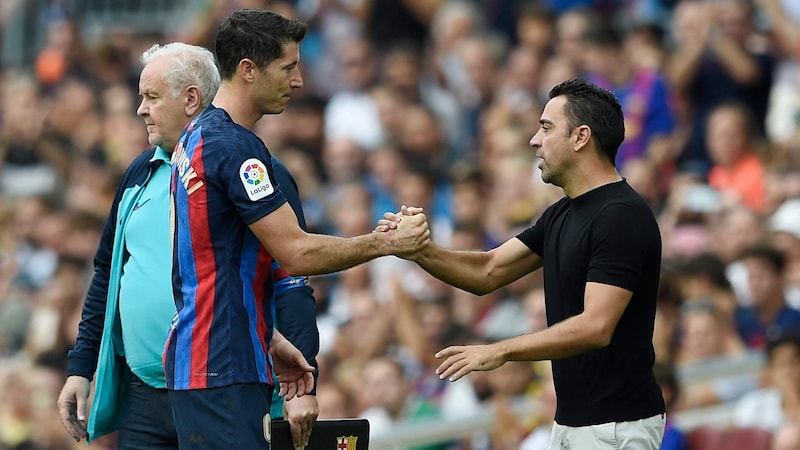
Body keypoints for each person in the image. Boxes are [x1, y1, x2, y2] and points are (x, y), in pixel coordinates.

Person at [166, 9, 429, 449]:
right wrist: (387, 242)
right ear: (248, 70)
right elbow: (298, 255)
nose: (299, 81)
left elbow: (207, 266)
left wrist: (266, 336)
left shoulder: (195, 137)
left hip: (206, 358)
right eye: (288, 67)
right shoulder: (237, 149)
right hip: (224, 364)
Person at [56, 42, 319, 450]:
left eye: (152, 97)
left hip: (221, 392)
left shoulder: (256, 168)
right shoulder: (139, 174)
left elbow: (291, 281)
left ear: (192, 99)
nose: (141, 109)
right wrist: (81, 367)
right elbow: (108, 274)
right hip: (144, 398)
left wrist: (304, 386)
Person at [380, 78, 666, 448]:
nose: (534, 140)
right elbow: (487, 270)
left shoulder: (620, 216)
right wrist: (419, 250)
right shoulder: (562, 212)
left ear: (581, 137)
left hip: (616, 428)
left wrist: (501, 350)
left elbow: (596, 326)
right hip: (572, 425)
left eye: (546, 127)